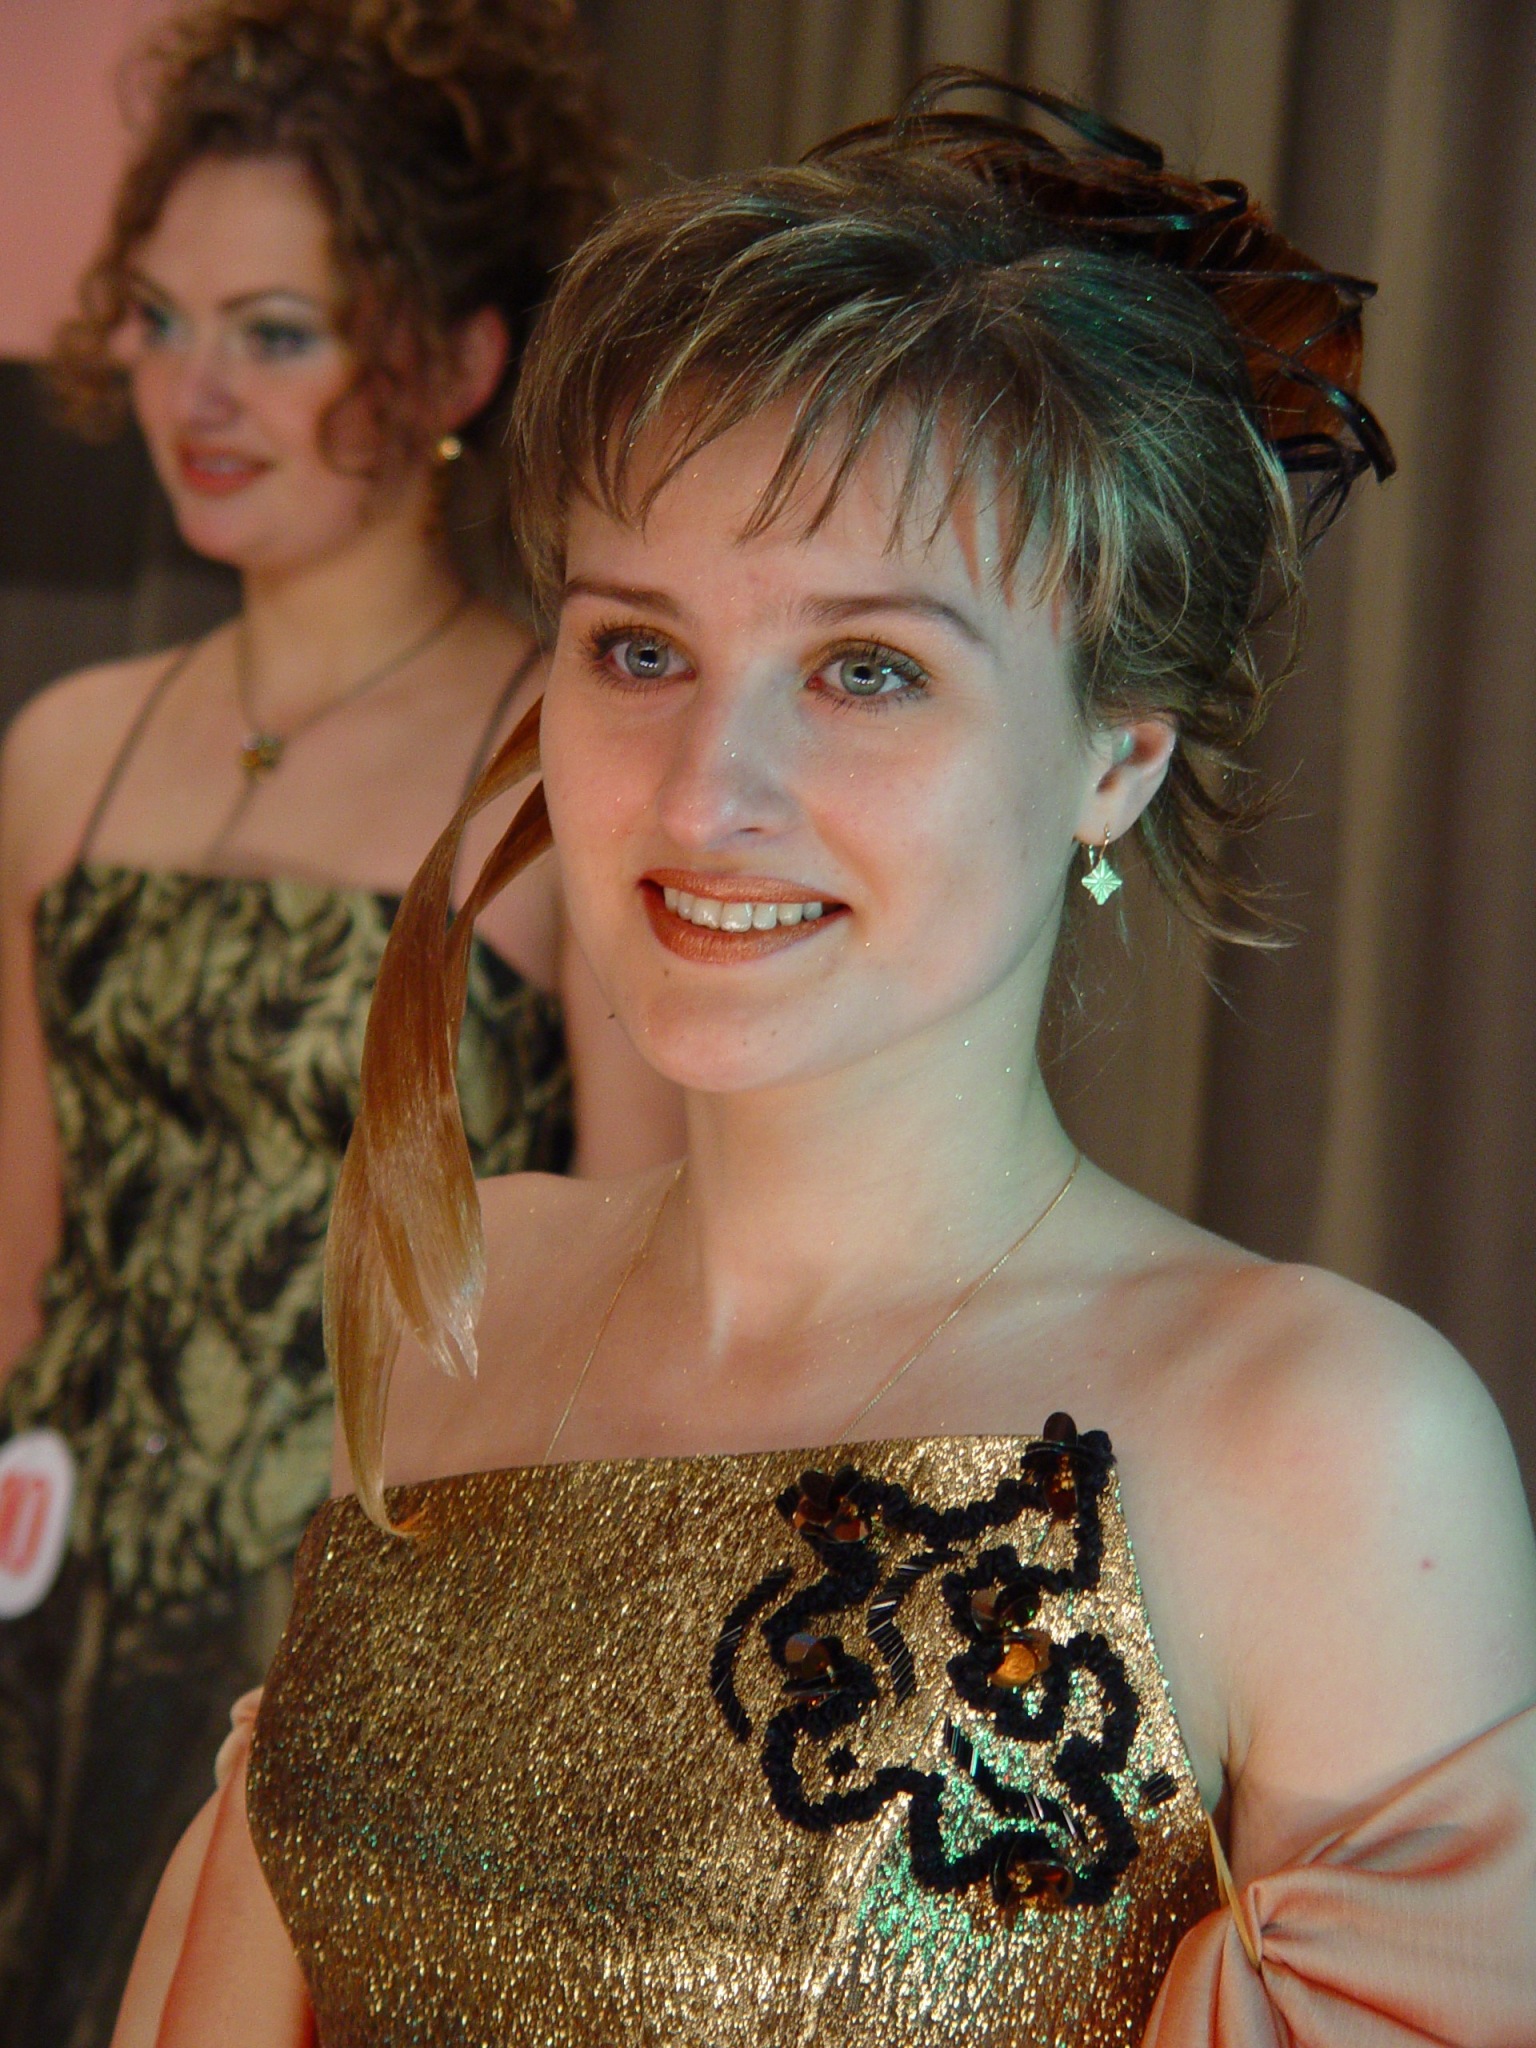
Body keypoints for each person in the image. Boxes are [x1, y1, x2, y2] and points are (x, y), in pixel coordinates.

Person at [119, 79, 1536, 2046]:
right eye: (639, 650)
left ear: (1116, 755)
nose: (712, 789)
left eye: (870, 669)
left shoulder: (1323, 1440)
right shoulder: (465, 1291)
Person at [0, 2, 681, 2040]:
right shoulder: (63, 745)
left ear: (458, 363)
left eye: (276, 332)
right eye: (161, 319)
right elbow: (22, 1246)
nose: (195, 391)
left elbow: (638, 1278)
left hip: (347, 1637)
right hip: (37, 1606)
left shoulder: (566, 755)